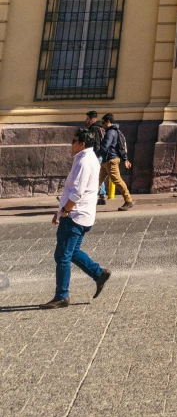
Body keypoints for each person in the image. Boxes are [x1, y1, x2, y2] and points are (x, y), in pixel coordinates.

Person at [41, 128, 111, 309]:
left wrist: (64, 211)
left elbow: (77, 192)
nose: (71, 144)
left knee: (63, 256)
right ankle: (98, 273)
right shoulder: (85, 158)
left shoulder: (85, 161)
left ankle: (62, 295)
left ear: (81, 143)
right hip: (79, 214)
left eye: (73, 141)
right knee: (71, 252)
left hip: (75, 216)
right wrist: (60, 211)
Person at [98, 114, 134, 211]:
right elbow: (120, 147)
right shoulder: (115, 131)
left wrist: (97, 153)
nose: (102, 125)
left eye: (103, 122)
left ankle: (128, 200)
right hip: (107, 160)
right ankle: (86, 201)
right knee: (97, 181)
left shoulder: (110, 132)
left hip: (111, 160)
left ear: (108, 122)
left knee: (117, 180)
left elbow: (106, 146)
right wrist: (125, 159)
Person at [84, 110, 107, 206]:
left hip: (96, 155)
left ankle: (100, 195)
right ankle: (102, 195)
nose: (86, 120)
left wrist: (94, 155)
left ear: (92, 119)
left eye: (88, 118)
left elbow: (96, 143)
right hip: (100, 155)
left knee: (95, 175)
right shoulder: (100, 127)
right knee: (98, 175)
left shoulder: (94, 129)